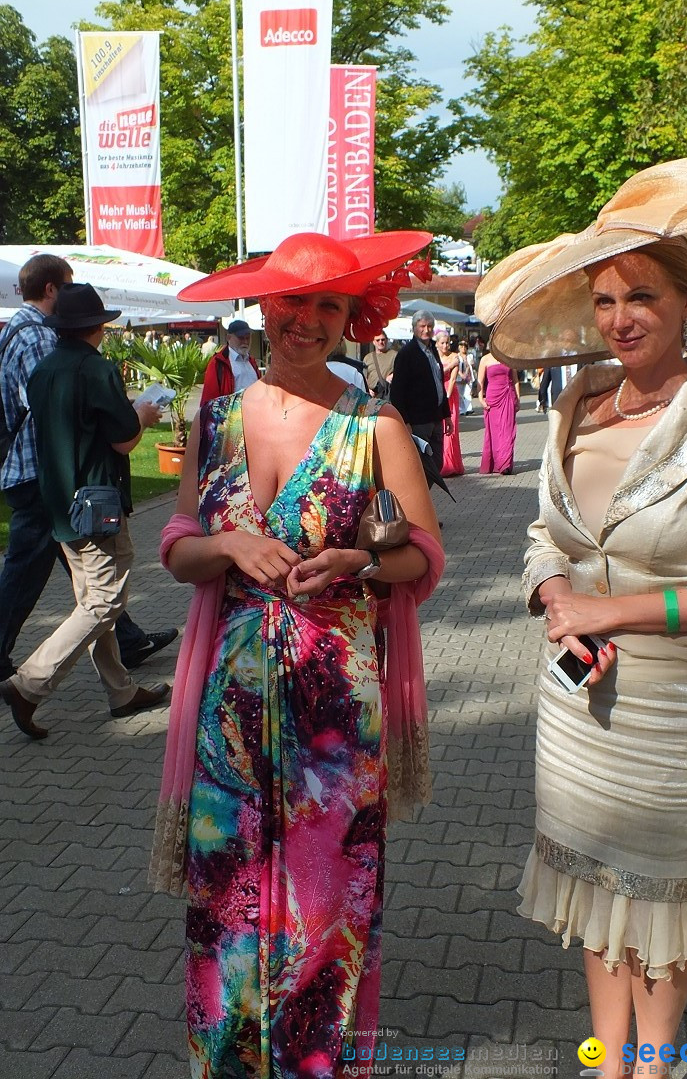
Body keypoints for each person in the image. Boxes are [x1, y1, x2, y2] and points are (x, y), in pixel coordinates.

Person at [475, 157, 687, 1079]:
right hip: (577, 702)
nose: (622, 317)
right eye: (608, 298)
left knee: (658, 906)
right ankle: (603, 1060)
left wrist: (606, 606)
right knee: (588, 892)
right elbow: (548, 537)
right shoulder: (577, 403)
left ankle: (652, 1070)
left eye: (644, 297)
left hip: (676, 712)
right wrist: (555, 600)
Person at [147, 230, 444, 1078]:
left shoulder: (374, 424)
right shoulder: (217, 419)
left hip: (334, 716)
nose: (304, 320)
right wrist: (229, 549)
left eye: (327, 305)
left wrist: (363, 561)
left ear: (353, 317)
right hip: (229, 710)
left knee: (325, 908)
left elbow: (423, 554)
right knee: (226, 896)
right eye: (291, 302)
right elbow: (175, 542)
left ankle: (319, 1064)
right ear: (264, 307)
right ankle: (229, 1062)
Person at [0, 284, 172, 740]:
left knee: (89, 598)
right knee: (104, 601)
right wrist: (144, 415)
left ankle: (120, 691)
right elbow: (124, 440)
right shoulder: (97, 370)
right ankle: (29, 683)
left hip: (57, 502)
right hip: (97, 505)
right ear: (99, 325)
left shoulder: (44, 370)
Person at [389, 310, 452, 483]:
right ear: (414, 328)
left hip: (436, 417)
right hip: (418, 420)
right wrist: (406, 421)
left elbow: (439, 383)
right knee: (423, 465)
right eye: (422, 326)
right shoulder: (406, 354)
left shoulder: (433, 349)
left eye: (430, 326)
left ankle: (422, 496)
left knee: (437, 463)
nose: (426, 330)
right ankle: (419, 500)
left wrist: (447, 415)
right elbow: (397, 391)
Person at [477, 350, 520, 475]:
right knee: (495, 432)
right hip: (493, 398)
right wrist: (481, 399)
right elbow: (480, 381)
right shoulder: (485, 359)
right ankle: (496, 462)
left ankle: (505, 464)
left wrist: (518, 398)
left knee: (508, 431)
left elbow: (515, 380)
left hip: (508, 396)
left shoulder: (509, 358)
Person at [200, 318, 260, 405]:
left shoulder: (252, 362)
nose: (245, 342)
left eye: (248, 338)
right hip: (231, 416)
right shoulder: (218, 363)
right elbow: (209, 398)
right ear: (229, 338)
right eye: (241, 338)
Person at [436, 331, 464, 476]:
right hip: (436, 395)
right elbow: (436, 374)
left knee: (450, 431)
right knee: (439, 428)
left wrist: (446, 396)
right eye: (442, 343)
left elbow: (452, 379)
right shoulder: (434, 358)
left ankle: (451, 463)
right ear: (437, 344)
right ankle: (440, 462)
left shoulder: (454, 357)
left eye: (447, 342)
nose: (445, 345)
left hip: (449, 394)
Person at [363, 330, 398, 397]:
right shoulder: (368, 358)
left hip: (387, 394)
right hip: (372, 395)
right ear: (373, 342)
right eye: (377, 340)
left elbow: (402, 370)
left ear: (387, 340)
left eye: (383, 339)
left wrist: (391, 376)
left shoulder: (394, 355)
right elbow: (365, 377)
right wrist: (368, 390)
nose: (380, 342)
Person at [457, 339, 475, 415]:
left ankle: (468, 409)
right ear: (459, 348)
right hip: (459, 377)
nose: (463, 348)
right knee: (460, 394)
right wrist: (461, 374)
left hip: (468, 377)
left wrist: (472, 364)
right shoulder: (456, 356)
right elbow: (456, 367)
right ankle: (461, 410)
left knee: (468, 393)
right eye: (461, 347)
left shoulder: (470, 356)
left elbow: (473, 366)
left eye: (465, 347)